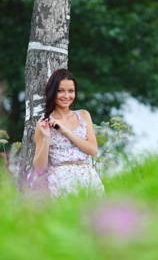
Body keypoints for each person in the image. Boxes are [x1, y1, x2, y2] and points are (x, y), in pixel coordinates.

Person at [32, 68, 104, 197]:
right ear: (52, 92)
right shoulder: (44, 124)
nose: (66, 96)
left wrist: (65, 131)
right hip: (61, 181)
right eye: (60, 91)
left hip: (89, 178)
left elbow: (93, 150)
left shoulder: (83, 115)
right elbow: (39, 168)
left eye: (71, 91)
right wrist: (46, 138)